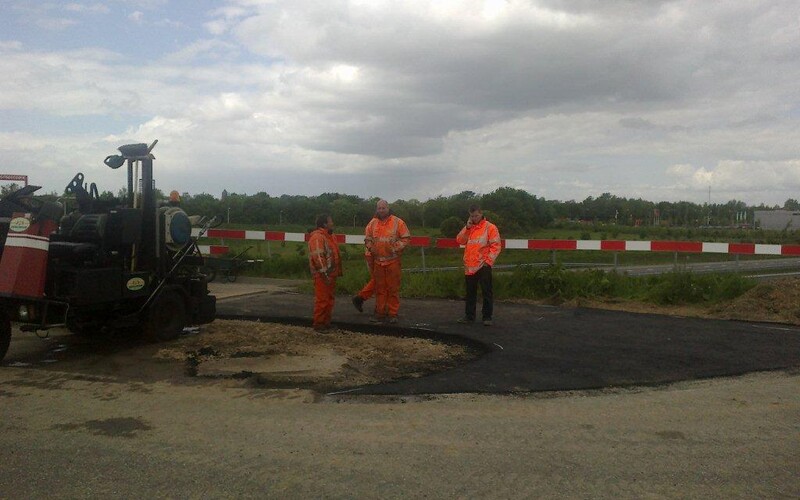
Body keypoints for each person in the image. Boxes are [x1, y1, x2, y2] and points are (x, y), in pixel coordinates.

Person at [363, 199, 410, 323]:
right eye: (379, 208)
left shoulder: (398, 222)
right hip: (378, 261)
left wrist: (394, 248)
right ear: (376, 209)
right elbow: (367, 238)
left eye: (383, 208)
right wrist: (370, 247)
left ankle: (393, 314)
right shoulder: (372, 223)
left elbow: (405, 238)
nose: (381, 210)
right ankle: (380, 313)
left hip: (392, 261)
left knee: (393, 289)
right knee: (380, 289)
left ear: (388, 208)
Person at [456, 205, 501, 326]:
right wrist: (467, 227)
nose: (474, 218)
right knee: (470, 293)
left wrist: (488, 262)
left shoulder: (490, 227)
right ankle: (469, 316)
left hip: (483, 265)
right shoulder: (469, 227)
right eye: (472, 216)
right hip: (470, 266)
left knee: (487, 292)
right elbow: (460, 240)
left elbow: (496, 246)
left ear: (481, 214)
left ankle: (487, 317)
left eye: (476, 215)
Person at [307, 214, 342, 332]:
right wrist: (324, 274)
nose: (333, 223)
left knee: (329, 299)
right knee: (322, 300)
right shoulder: (318, 237)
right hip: (323, 275)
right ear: (325, 224)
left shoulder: (329, 236)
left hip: (330, 274)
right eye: (331, 221)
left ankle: (326, 323)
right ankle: (319, 324)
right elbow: (318, 257)